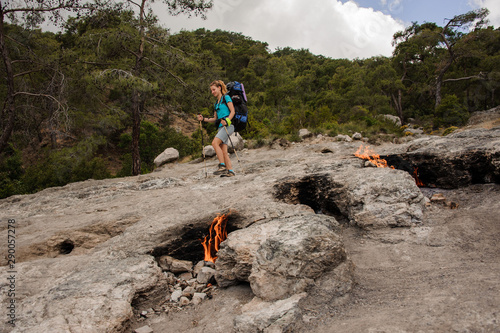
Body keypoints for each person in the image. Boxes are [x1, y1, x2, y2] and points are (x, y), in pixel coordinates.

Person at [197, 80, 236, 177]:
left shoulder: (226, 97)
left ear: (219, 88)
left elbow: (233, 111)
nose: (212, 92)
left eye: (214, 89)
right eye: (211, 90)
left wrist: (227, 120)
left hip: (229, 125)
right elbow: (215, 118)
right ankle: (230, 171)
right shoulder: (216, 104)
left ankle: (222, 166)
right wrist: (204, 119)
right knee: (223, 151)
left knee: (214, 143)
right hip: (220, 127)